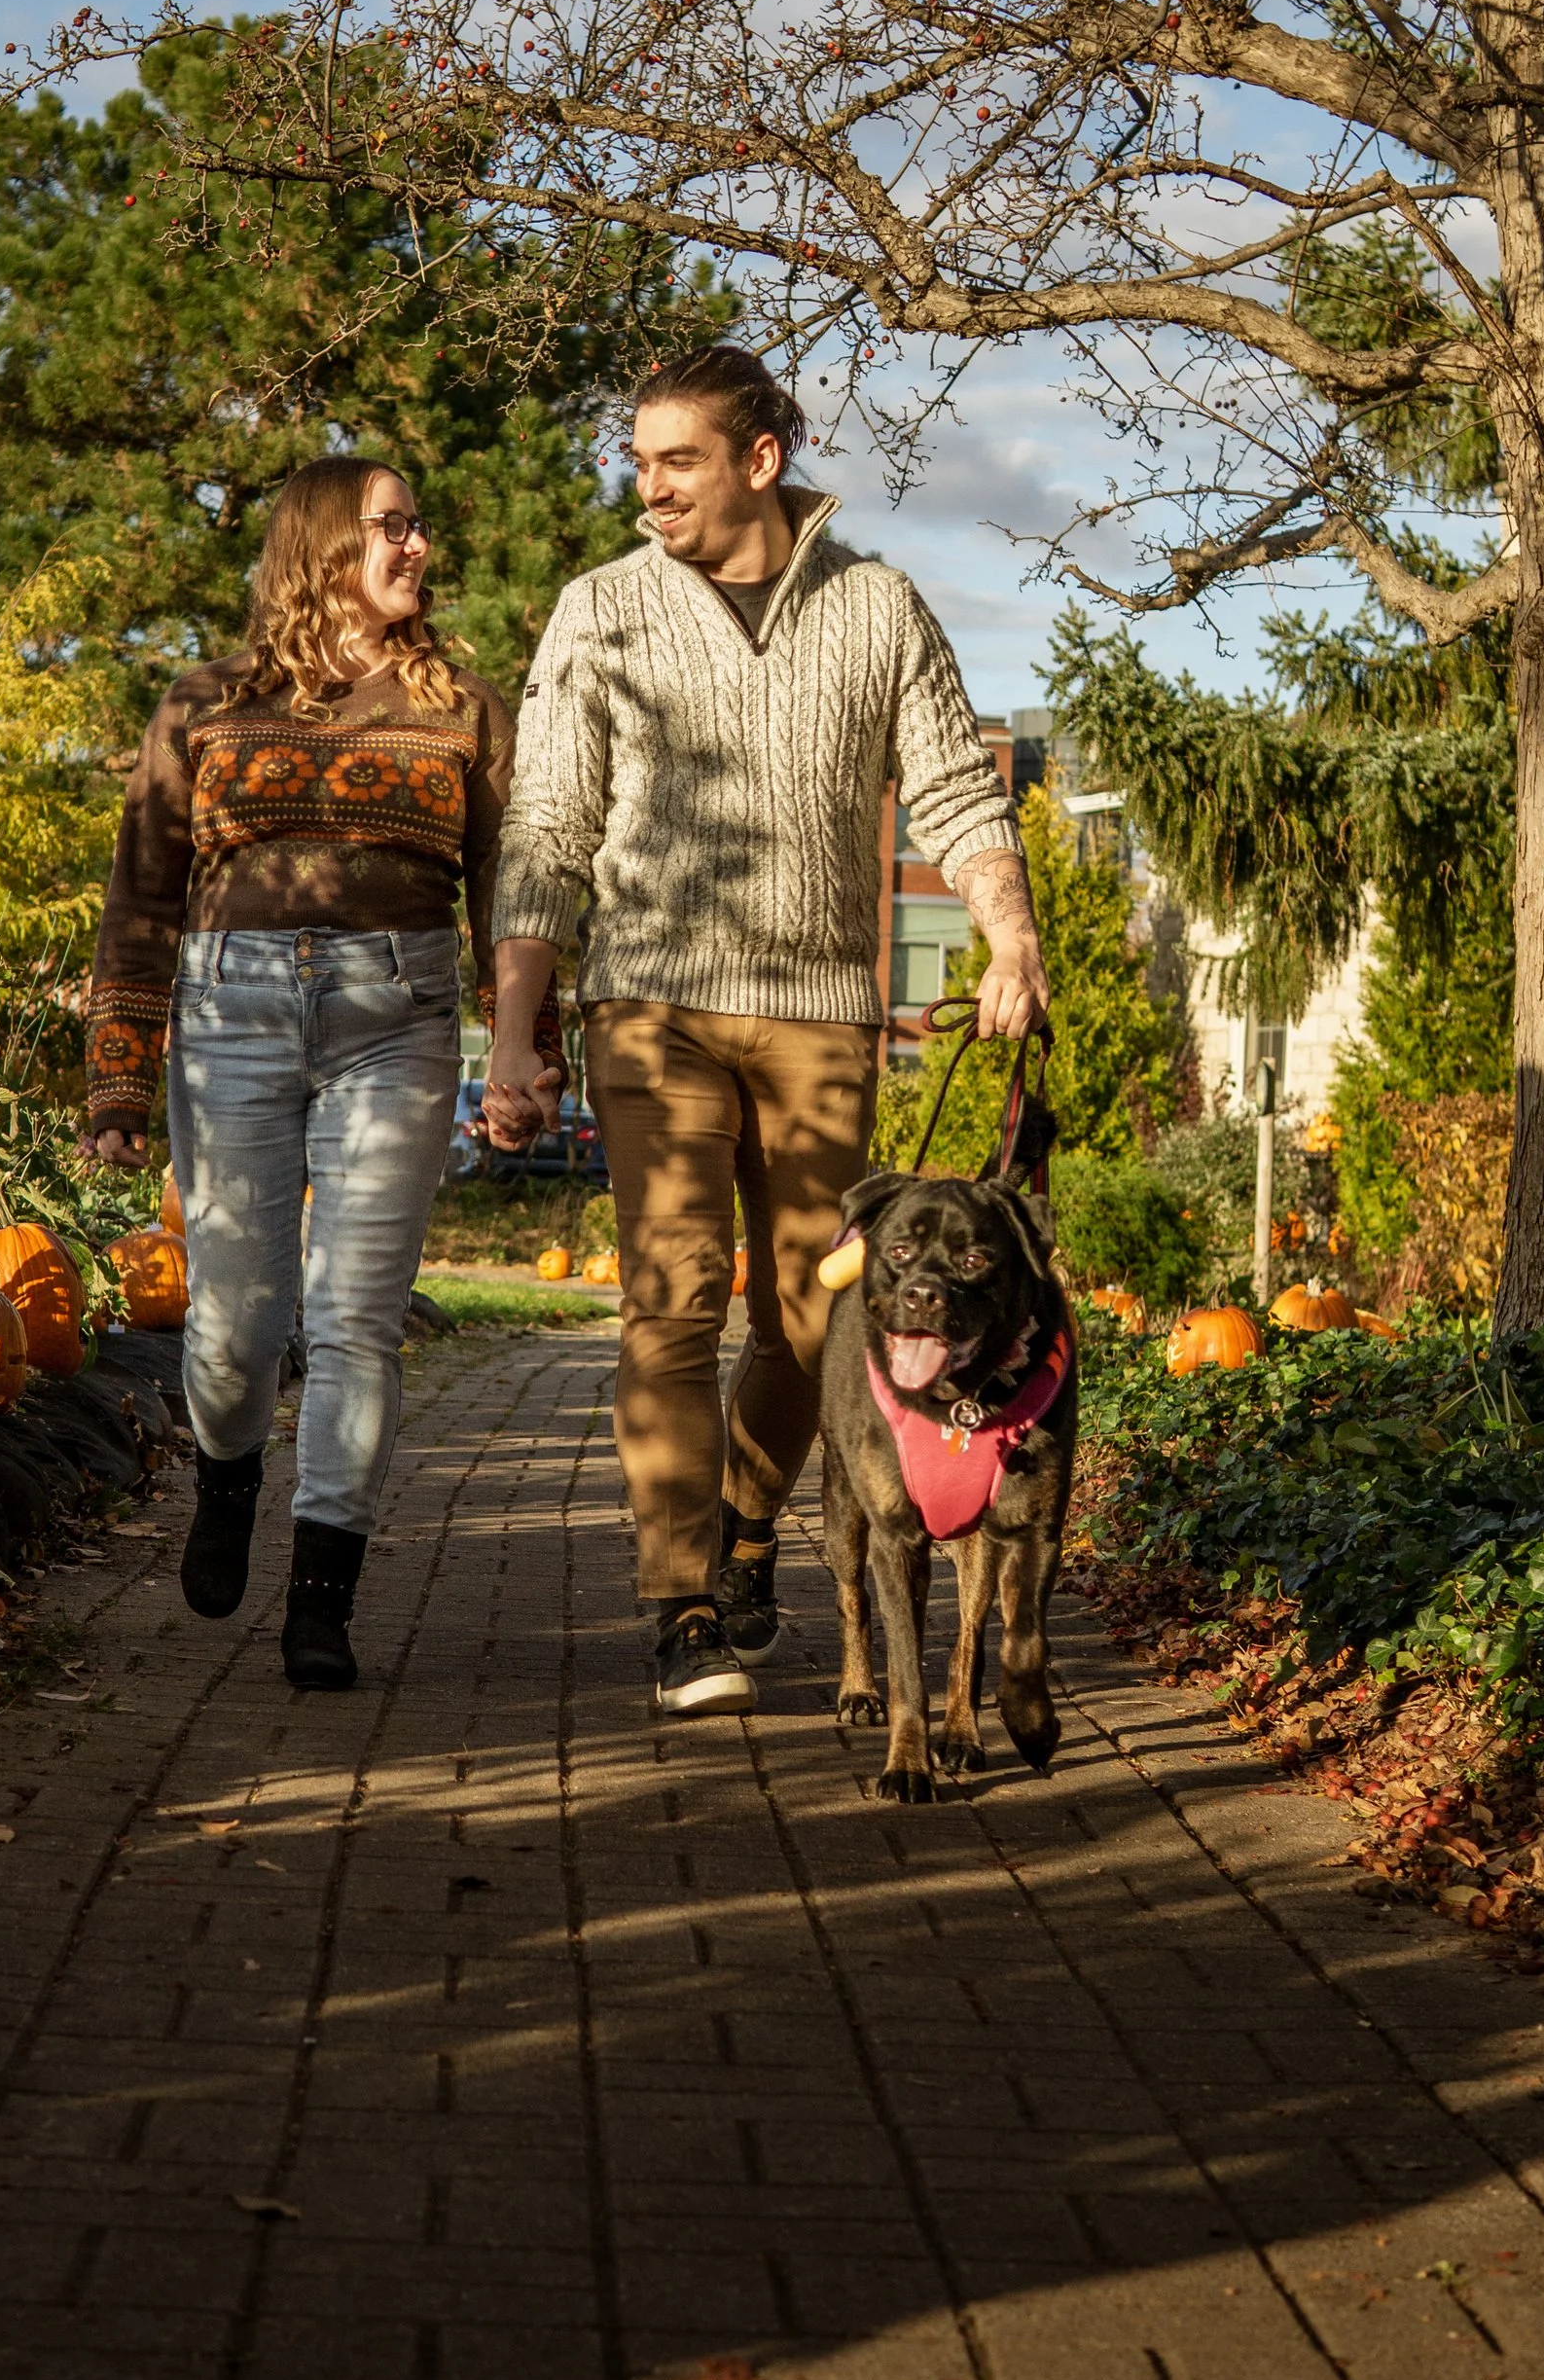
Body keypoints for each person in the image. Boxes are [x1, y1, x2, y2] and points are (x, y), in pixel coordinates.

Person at [483, 345, 1050, 1718]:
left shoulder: (877, 605)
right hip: (649, 1006)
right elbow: (547, 827)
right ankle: (682, 1605)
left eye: (676, 458)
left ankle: (747, 1526)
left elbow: (959, 792)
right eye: (640, 457)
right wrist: (514, 1025)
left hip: (817, 1019)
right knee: (668, 1304)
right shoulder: (602, 609)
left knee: (814, 1319)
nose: (648, 484)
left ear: (760, 460)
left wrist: (1011, 929)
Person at [80, 456, 554, 1691]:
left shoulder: (463, 707)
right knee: (235, 1326)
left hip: (397, 1022)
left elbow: (515, 894)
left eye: (418, 525)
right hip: (230, 1014)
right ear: (320, 547)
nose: (417, 547)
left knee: (355, 1323)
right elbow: (139, 897)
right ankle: (228, 1477)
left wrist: (521, 1053)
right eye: (391, 526)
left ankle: (321, 1600)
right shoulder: (204, 706)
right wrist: (119, 1084)